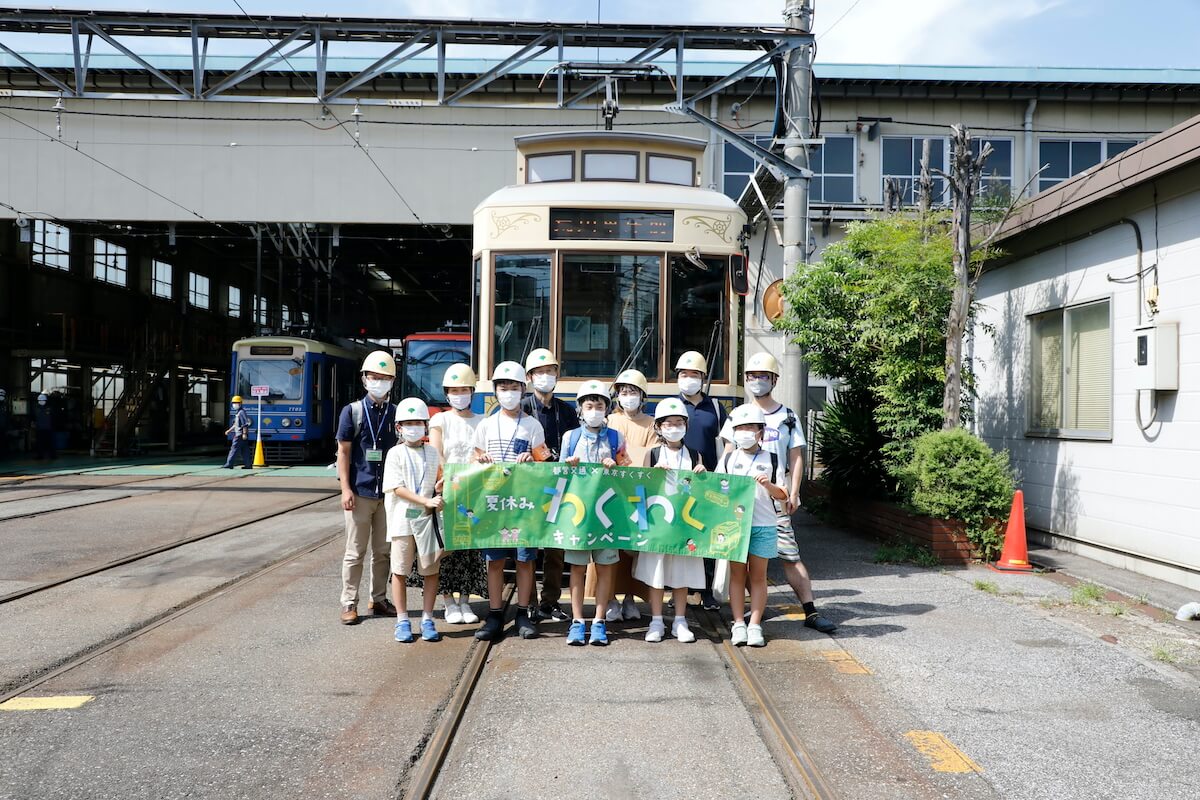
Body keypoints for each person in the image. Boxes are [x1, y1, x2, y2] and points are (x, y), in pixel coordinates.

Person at [721, 353, 837, 634]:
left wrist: (794, 493)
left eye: (762, 376)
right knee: (744, 559)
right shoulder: (738, 414)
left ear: (774, 379)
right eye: (751, 376)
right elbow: (727, 454)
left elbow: (795, 457)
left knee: (789, 555)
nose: (756, 381)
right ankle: (752, 612)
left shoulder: (787, 416)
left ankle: (810, 611)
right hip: (740, 504)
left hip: (774, 498)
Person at [473, 360, 548, 641]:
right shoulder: (486, 425)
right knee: (495, 560)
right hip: (494, 504)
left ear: (522, 389)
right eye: (502, 387)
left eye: (513, 387)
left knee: (525, 560)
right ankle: (494, 614)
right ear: (495, 390)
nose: (508, 392)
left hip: (523, 505)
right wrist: (479, 460)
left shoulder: (532, 426)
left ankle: (523, 613)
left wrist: (531, 460)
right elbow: (473, 461)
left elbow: (543, 466)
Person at [561, 380, 631, 647]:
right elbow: (557, 477)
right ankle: (578, 621)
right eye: (589, 405)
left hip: (607, 514)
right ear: (580, 409)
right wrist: (568, 466)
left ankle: (599, 621)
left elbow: (626, 470)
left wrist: (616, 466)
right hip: (577, 515)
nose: (594, 410)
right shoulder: (571, 437)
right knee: (577, 568)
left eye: (599, 405)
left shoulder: (616, 437)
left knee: (605, 568)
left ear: (607, 408)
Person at [336, 350, 400, 625]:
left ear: (392, 381)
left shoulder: (397, 414)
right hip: (360, 492)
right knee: (355, 552)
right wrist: (345, 489)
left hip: (387, 494)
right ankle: (349, 603)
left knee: (384, 551)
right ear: (364, 379)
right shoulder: (353, 411)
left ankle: (379, 598)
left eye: (385, 378)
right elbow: (343, 452)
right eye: (374, 376)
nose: (379, 382)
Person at [635, 398, 705, 643]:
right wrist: (653, 476)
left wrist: (702, 476)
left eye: (678, 423)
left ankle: (680, 620)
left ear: (686, 425)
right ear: (659, 427)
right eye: (668, 423)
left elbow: (701, 492)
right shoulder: (652, 454)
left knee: (682, 572)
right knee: (656, 572)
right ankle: (655, 620)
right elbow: (641, 488)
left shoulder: (696, 455)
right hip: (658, 524)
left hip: (685, 526)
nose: (674, 427)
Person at [717, 403, 788, 648]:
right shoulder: (728, 457)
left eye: (750, 427)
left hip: (764, 524)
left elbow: (783, 495)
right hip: (734, 526)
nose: (745, 432)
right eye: (740, 427)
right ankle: (738, 624)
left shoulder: (773, 458)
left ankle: (755, 624)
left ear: (761, 432)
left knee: (758, 577)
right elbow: (715, 488)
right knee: (737, 576)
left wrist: (768, 485)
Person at [426, 364, 485, 625]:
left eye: (464, 389)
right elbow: (436, 453)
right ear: (447, 394)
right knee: (446, 547)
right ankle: (448, 601)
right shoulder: (440, 419)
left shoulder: (482, 420)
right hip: (447, 491)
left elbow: (482, 453)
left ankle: (465, 601)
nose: (459, 394)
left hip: (473, 494)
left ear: (472, 391)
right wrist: (444, 481)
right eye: (454, 390)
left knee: (470, 550)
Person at [520, 348, 575, 622]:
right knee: (528, 548)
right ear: (529, 377)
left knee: (556, 547)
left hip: (560, 485)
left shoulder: (567, 410)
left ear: (557, 374)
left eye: (550, 371)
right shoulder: (522, 409)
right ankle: (527, 602)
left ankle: (550, 602)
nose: (545, 376)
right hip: (529, 487)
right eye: (539, 372)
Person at [383, 398, 444, 643]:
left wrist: (439, 489)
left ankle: (427, 618)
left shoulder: (432, 452)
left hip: (427, 522)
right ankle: (402, 620)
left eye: (417, 422)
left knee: (431, 569)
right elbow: (396, 487)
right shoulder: (395, 453)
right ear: (399, 427)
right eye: (407, 423)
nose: (413, 427)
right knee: (399, 570)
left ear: (425, 425)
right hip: (402, 521)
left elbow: (438, 481)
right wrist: (426, 500)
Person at [674, 350, 728, 610]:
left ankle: (706, 591)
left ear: (703, 378)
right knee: (679, 535)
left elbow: (727, 443)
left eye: (694, 374)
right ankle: (679, 591)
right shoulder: (671, 407)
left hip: (708, 481)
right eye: (683, 374)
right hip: (679, 481)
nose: (688, 378)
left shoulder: (716, 408)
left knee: (705, 538)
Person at [603, 368, 657, 622]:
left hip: (640, 492)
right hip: (612, 492)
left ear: (642, 396)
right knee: (609, 546)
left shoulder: (651, 423)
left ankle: (630, 598)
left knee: (635, 548)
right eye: (623, 392)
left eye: (633, 392)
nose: (628, 396)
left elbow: (652, 456)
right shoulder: (610, 421)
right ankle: (610, 598)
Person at [221, 395, 252, 469]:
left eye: (236, 403)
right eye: (233, 403)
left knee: (233, 449)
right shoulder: (238, 412)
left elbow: (245, 424)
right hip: (241, 434)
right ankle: (248, 465)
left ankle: (229, 464)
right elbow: (236, 424)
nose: (234, 404)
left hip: (239, 435)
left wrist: (244, 434)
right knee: (245, 450)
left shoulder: (241, 412)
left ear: (240, 403)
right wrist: (229, 430)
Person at [33, 393, 55, 460]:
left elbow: (53, 418)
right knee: (39, 443)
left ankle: (52, 455)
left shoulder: (49, 408)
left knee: (50, 443)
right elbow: (33, 418)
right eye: (40, 400)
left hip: (48, 428)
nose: (41, 402)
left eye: (43, 400)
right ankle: (40, 455)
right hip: (39, 429)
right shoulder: (36, 409)